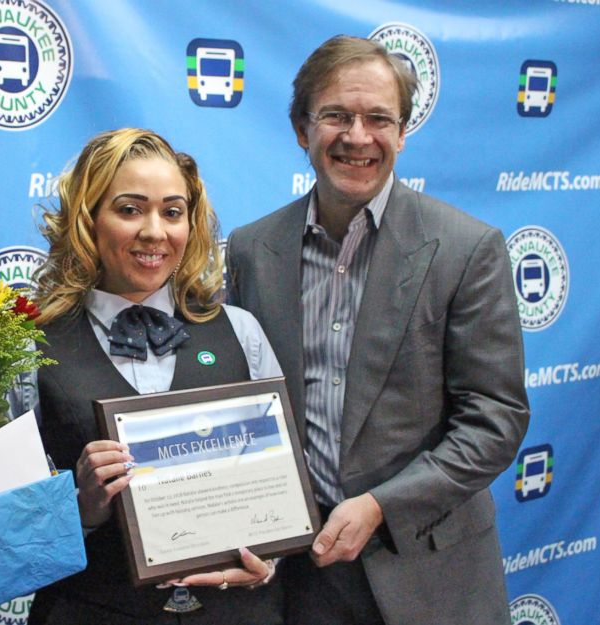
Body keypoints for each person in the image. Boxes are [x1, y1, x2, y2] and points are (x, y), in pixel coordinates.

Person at [226, 36, 531, 625]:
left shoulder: (467, 250)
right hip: (299, 575)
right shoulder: (252, 250)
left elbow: (496, 418)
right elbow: (245, 406)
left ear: (403, 132)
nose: (357, 137)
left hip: (431, 575)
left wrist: (380, 507)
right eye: (336, 115)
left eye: (378, 119)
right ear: (301, 129)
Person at [16, 128, 284, 625]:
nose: (155, 231)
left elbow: (281, 487)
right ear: (87, 219)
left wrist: (267, 560)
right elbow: (6, 532)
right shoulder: (30, 347)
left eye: (173, 211)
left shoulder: (240, 331)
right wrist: (83, 508)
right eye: (130, 209)